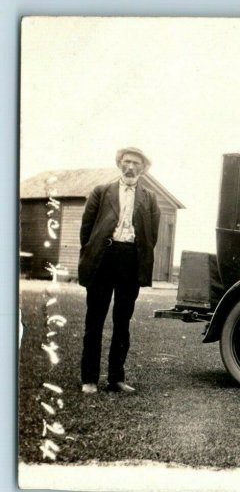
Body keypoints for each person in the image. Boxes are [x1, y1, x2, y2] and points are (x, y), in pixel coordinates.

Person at [78, 147, 161, 394]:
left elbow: (151, 235)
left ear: (143, 169)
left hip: (130, 261)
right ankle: (89, 379)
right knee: (94, 320)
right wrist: (92, 256)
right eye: (126, 162)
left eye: (136, 163)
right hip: (104, 259)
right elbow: (86, 231)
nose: (130, 167)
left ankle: (116, 379)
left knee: (122, 321)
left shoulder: (150, 198)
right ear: (119, 164)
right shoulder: (101, 192)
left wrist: (135, 254)